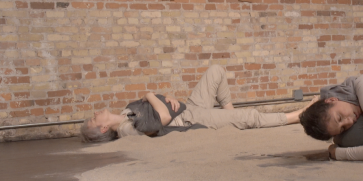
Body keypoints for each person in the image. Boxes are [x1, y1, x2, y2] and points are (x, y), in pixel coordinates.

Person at [81, 65, 305, 142]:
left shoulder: (126, 112)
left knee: (216, 70)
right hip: (188, 118)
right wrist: (150, 95)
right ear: (102, 128)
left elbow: (161, 106)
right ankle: (298, 115)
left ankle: (233, 121)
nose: (95, 112)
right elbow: (164, 118)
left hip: (187, 106)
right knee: (249, 116)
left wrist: (166, 98)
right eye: (94, 118)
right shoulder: (128, 130)